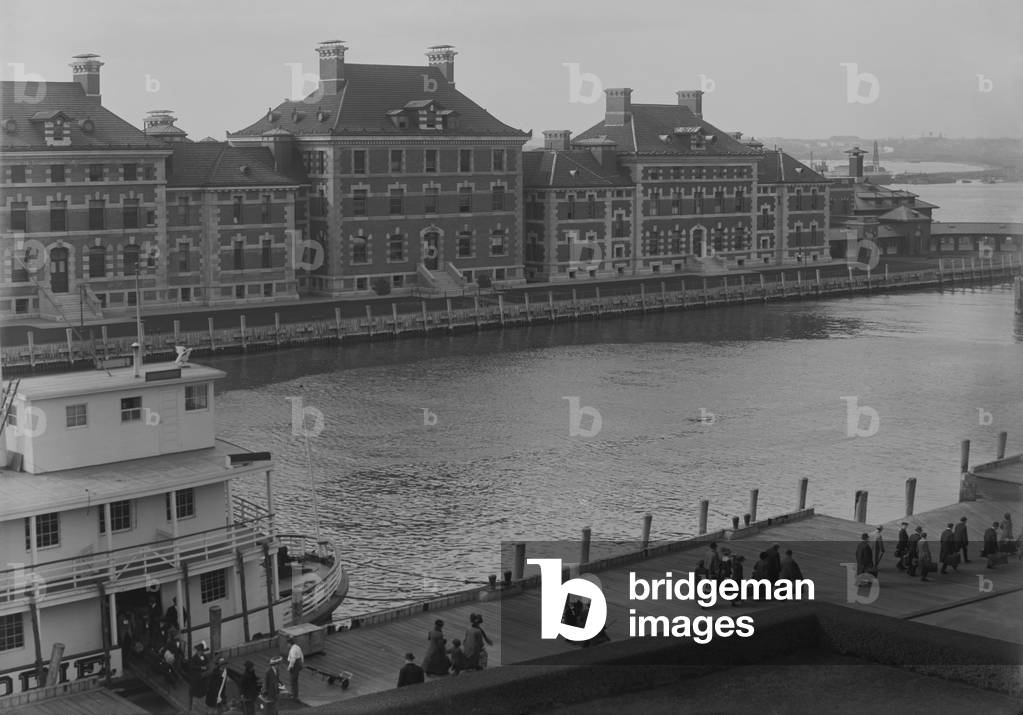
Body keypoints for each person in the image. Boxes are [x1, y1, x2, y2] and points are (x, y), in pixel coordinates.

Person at [188, 642, 209, 713]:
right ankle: (194, 708)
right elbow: (192, 667)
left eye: (202, 651)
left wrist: (206, 667)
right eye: (200, 651)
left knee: (203, 693)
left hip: (203, 679)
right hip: (196, 678)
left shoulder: (204, 657)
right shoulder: (194, 658)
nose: (201, 652)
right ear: (198, 651)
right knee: (196, 694)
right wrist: (201, 667)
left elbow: (207, 663)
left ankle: (203, 708)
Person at [286, 636, 304, 701]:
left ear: (289, 643)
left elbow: (293, 659)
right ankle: (295, 694)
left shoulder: (293, 649)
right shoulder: (297, 647)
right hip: (298, 664)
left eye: (287, 644)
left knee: (293, 681)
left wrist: (289, 667)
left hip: (294, 666)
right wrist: (301, 663)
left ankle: (294, 696)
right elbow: (302, 655)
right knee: (295, 681)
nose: (287, 645)